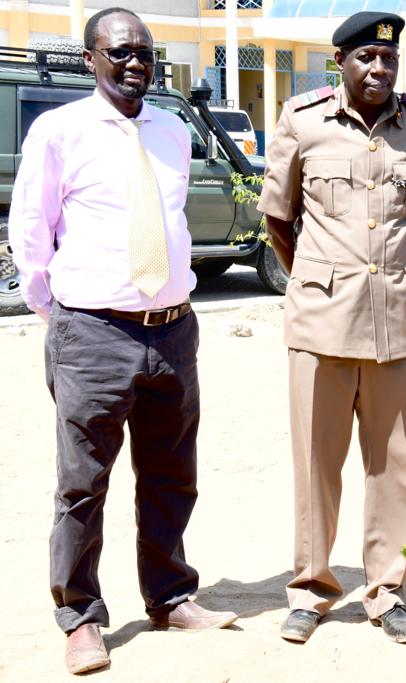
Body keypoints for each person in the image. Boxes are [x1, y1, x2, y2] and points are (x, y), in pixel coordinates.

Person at [8, 6, 237, 674]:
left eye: (145, 52)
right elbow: (32, 230)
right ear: (91, 60)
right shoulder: (59, 131)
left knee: (171, 475)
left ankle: (169, 594)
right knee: (82, 483)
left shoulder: (170, 129)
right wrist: (62, 315)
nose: (136, 62)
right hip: (93, 332)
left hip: (173, 331)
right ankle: (80, 616)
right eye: (120, 52)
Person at [256, 11, 406, 645]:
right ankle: (312, 588)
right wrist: (322, 280)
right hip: (320, 324)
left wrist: (387, 275)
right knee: (316, 465)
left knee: (397, 466)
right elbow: (278, 221)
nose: (379, 69)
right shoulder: (302, 121)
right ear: (340, 63)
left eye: (389, 59)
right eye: (366, 59)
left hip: (400, 324)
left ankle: (387, 589)